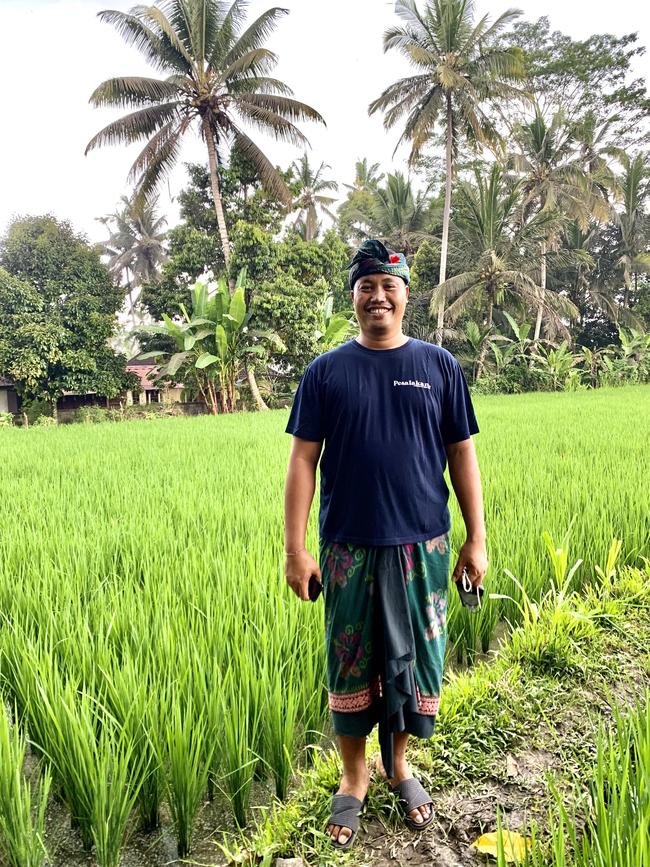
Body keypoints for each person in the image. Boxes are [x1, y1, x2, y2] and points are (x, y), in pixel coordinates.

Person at [283, 239, 487, 850]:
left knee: (411, 664)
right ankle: (354, 775)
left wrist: (477, 537)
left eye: (388, 285)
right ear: (354, 297)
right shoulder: (325, 373)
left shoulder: (438, 366)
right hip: (348, 546)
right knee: (350, 662)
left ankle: (399, 766)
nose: (378, 296)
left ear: (405, 296)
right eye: (366, 286)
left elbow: (461, 454)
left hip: (422, 545)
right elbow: (302, 462)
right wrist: (296, 550)